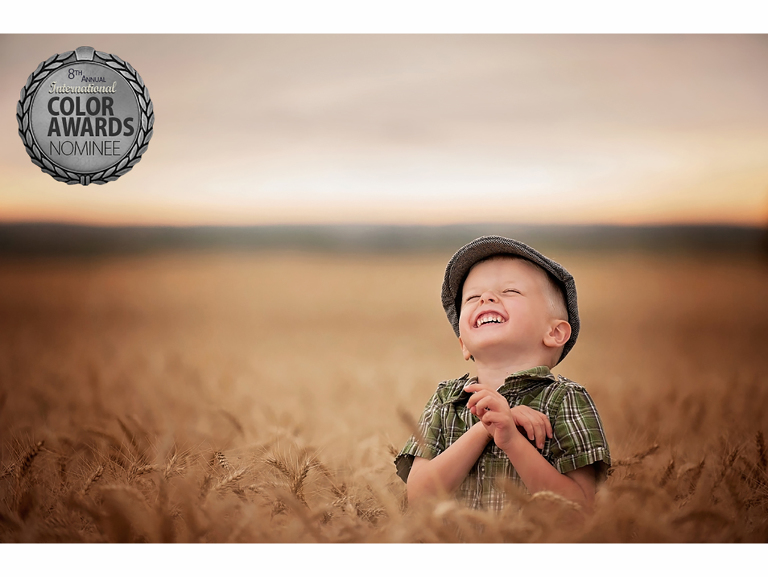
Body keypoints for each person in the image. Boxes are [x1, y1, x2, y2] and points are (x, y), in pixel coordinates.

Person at [394, 235, 611, 512]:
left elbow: (580, 513)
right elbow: (419, 499)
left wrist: (511, 440)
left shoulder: (566, 400)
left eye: (510, 291)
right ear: (463, 344)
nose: (486, 298)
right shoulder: (446, 400)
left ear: (555, 333)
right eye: (472, 297)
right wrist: (485, 428)